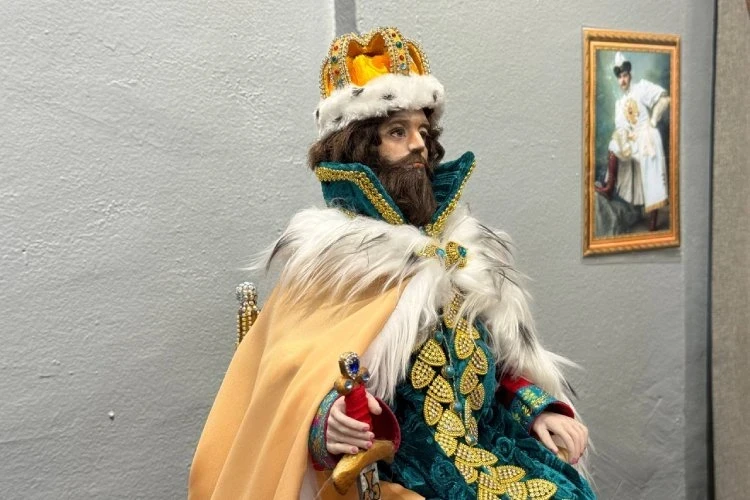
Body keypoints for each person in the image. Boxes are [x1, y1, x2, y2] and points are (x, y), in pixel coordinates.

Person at [189, 27, 595, 499]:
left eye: (423, 131)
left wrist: (534, 405)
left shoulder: (457, 253)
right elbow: (287, 392)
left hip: (488, 449)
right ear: (360, 149)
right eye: (397, 132)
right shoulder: (334, 267)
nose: (418, 144)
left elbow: (496, 362)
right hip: (405, 474)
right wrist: (327, 421)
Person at [595, 51, 670, 233]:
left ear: (630, 75)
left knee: (651, 171)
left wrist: (653, 120)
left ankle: (653, 216)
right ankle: (609, 188)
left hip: (647, 137)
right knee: (614, 145)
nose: (622, 80)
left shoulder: (641, 88)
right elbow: (621, 127)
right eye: (619, 77)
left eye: (625, 76)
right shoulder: (620, 103)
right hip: (633, 139)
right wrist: (624, 140)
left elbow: (665, 98)